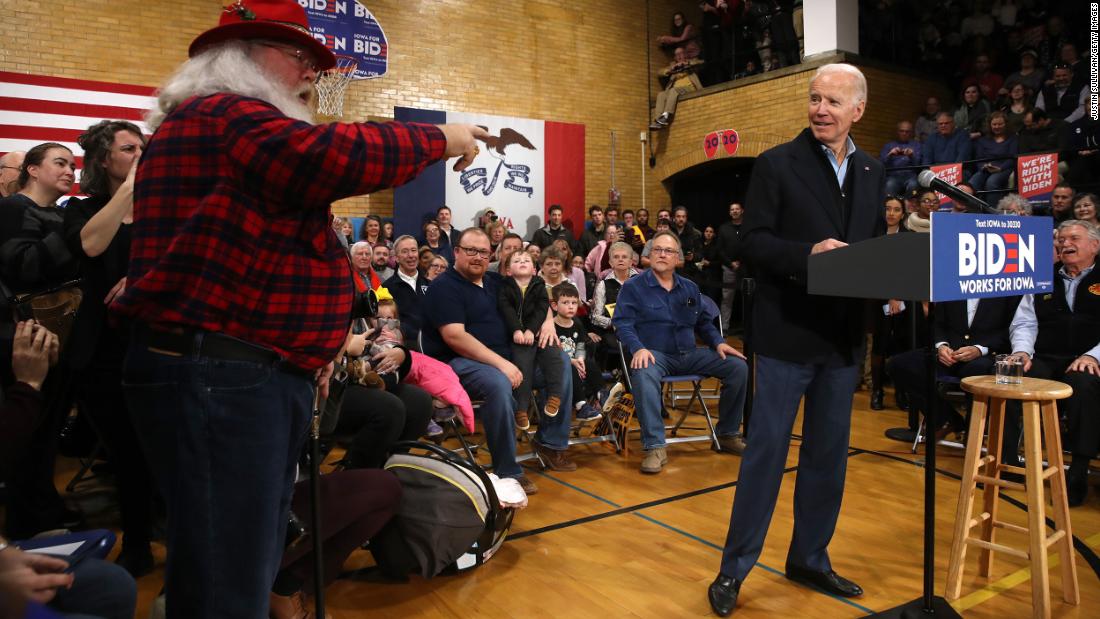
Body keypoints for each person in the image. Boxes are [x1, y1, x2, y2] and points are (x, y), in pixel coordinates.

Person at [109, 1, 487, 616]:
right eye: (300, 56)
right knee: (227, 581)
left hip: (229, 371)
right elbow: (328, 156)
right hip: (224, 377)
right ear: (245, 56)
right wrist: (443, 136)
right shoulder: (230, 116)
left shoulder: (207, 126)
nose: (313, 73)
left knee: (222, 561)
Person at [711, 64, 884, 616]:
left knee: (828, 459)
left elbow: (872, 245)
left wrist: (885, 283)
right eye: (814, 98)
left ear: (858, 109)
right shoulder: (775, 164)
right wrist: (808, 254)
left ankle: (809, 557)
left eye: (833, 101)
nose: (820, 109)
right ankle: (733, 570)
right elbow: (752, 242)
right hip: (786, 335)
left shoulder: (875, 172)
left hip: (841, 342)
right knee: (764, 455)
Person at [63, 120, 156, 576]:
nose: (139, 153)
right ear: (104, 159)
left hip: (156, 344)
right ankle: (136, 542)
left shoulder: (164, 210)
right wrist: (131, 190)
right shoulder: (81, 209)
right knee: (125, 453)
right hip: (102, 349)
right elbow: (91, 246)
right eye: (128, 148)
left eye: (143, 147)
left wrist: (142, 281)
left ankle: (163, 531)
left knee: (161, 448)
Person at [422, 228, 575, 494]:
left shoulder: (496, 282)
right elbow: (455, 337)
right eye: (470, 250)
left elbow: (536, 298)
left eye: (483, 252)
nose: (478, 257)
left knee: (561, 362)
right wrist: (502, 364)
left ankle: (550, 443)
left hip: (514, 358)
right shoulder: (443, 287)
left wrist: (548, 322)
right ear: (456, 252)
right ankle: (507, 470)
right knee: (499, 384)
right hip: (460, 363)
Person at [613, 231, 748, 474]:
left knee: (737, 366)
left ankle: (727, 434)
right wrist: (638, 348)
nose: (661, 254)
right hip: (655, 355)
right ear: (649, 254)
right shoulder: (633, 287)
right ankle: (654, 447)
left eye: (668, 251)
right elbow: (623, 324)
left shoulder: (689, 288)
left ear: (678, 259)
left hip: (688, 354)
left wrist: (718, 343)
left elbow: (704, 323)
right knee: (643, 372)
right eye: (656, 249)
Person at [1008, 220, 1100, 505]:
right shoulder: (1042, 277)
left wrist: (1093, 356)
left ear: (1095, 245)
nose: (1065, 243)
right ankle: (1009, 460)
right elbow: (1025, 321)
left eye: (1074, 238)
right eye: (1060, 239)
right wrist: (1023, 351)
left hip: (1091, 358)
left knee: (1083, 384)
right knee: (1012, 377)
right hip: (1048, 357)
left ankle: (1079, 470)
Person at [497, 250, 564, 433]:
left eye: (526, 260)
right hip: (518, 335)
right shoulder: (505, 287)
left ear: (534, 270)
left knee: (554, 355)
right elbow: (506, 309)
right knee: (522, 365)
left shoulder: (539, 285)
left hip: (535, 332)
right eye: (517, 261)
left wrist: (531, 330)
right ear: (509, 270)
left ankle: (555, 396)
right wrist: (517, 330)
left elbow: (542, 309)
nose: (522, 262)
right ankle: (521, 408)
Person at [869, 196, 910, 410]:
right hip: (877, 301)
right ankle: (877, 392)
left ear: (903, 214)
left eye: (896, 210)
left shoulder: (908, 237)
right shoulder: (874, 235)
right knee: (879, 346)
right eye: (888, 209)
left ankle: (902, 392)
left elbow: (909, 271)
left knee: (901, 347)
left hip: (903, 301)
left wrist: (897, 295)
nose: (891, 214)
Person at [550, 282, 604, 422]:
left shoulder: (577, 324)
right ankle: (581, 406)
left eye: (574, 303)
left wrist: (580, 359)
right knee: (571, 367)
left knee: (590, 363)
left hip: (576, 362)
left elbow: (580, 345)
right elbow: (553, 353)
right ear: (555, 305)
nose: (570, 306)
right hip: (559, 365)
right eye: (566, 302)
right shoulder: (550, 326)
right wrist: (572, 362)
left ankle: (601, 394)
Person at [382, 235, 431, 344]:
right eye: (404, 251)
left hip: (434, 344)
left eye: (413, 250)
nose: (410, 255)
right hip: (405, 346)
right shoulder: (386, 289)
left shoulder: (431, 286)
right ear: (396, 258)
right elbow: (387, 323)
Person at [968, 111, 1018, 207]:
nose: (997, 127)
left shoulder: (1012, 139)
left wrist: (1001, 168)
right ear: (990, 125)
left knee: (992, 182)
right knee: (973, 182)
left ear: (1006, 124)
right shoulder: (983, 140)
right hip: (986, 169)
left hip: (1005, 168)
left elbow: (1012, 158)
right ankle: (974, 210)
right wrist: (984, 167)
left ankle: (993, 212)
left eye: (1000, 124)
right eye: (994, 124)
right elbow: (979, 159)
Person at [650, 47, 704, 129]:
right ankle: (658, 120)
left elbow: (700, 62)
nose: (679, 56)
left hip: (689, 89)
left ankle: (665, 116)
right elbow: (660, 72)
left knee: (673, 90)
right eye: (677, 54)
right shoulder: (674, 66)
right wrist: (670, 69)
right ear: (675, 57)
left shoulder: (691, 62)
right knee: (661, 94)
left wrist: (686, 64)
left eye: (681, 53)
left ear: (685, 54)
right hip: (675, 91)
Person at [718, 202, 744, 332]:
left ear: (742, 211)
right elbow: (720, 250)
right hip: (729, 268)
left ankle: (747, 328)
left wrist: (743, 262)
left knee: (748, 298)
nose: (734, 211)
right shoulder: (724, 228)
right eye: (732, 209)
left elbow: (753, 246)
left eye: (737, 209)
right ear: (729, 212)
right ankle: (725, 328)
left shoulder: (748, 227)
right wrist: (731, 264)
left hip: (746, 268)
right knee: (727, 299)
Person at [879, 120, 922, 198]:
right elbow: (880, 165)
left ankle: (909, 208)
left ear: (911, 133)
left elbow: (919, 166)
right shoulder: (888, 146)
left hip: (910, 177)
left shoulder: (917, 146)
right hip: (893, 176)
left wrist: (912, 156)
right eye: (902, 131)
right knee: (889, 184)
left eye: (907, 131)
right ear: (897, 132)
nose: (904, 133)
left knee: (914, 185)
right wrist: (890, 155)